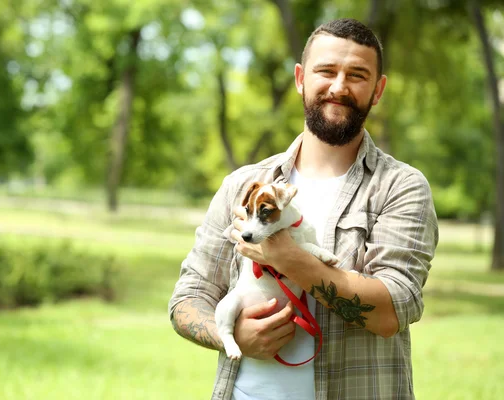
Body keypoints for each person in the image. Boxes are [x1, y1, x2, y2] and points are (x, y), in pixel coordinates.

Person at [168, 18, 438, 400]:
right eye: (326, 71)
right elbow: (188, 298)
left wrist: (288, 258)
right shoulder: (243, 185)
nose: (339, 86)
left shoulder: (401, 187)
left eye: (357, 75)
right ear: (300, 78)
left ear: (378, 90)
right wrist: (232, 335)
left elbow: (392, 310)